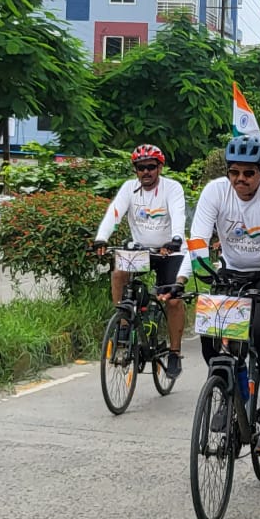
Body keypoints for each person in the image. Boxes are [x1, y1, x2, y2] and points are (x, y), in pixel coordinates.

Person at [177, 135, 260, 455]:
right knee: (210, 337)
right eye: (234, 173)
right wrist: (182, 278)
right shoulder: (215, 191)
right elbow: (198, 239)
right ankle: (232, 393)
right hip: (230, 271)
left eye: (249, 173)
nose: (241, 180)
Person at [93, 144, 187, 378]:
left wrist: (176, 238)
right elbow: (114, 213)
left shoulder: (172, 188)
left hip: (169, 252)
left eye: (151, 167)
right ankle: (122, 326)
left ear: (160, 167)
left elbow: (178, 214)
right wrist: (101, 238)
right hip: (142, 251)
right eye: (140, 167)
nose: (146, 172)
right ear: (135, 170)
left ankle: (174, 352)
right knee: (118, 274)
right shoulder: (129, 188)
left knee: (173, 301)